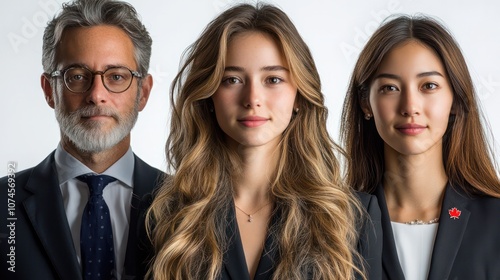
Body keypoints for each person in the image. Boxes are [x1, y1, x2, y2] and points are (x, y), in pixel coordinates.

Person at [139, 3, 381, 280]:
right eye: (231, 79)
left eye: (273, 79)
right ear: (208, 96)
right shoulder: (161, 213)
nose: (252, 98)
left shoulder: (355, 217)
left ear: (299, 96)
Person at [0, 0, 164, 279]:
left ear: (143, 92)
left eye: (116, 76)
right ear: (49, 90)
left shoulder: (187, 204)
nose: (96, 94)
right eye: (77, 76)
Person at [341, 14, 500, 280]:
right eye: (390, 87)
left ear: (456, 102)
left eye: (429, 86)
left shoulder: (495, 222)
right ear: (365, 103)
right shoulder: (332, 224)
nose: (410, 107)